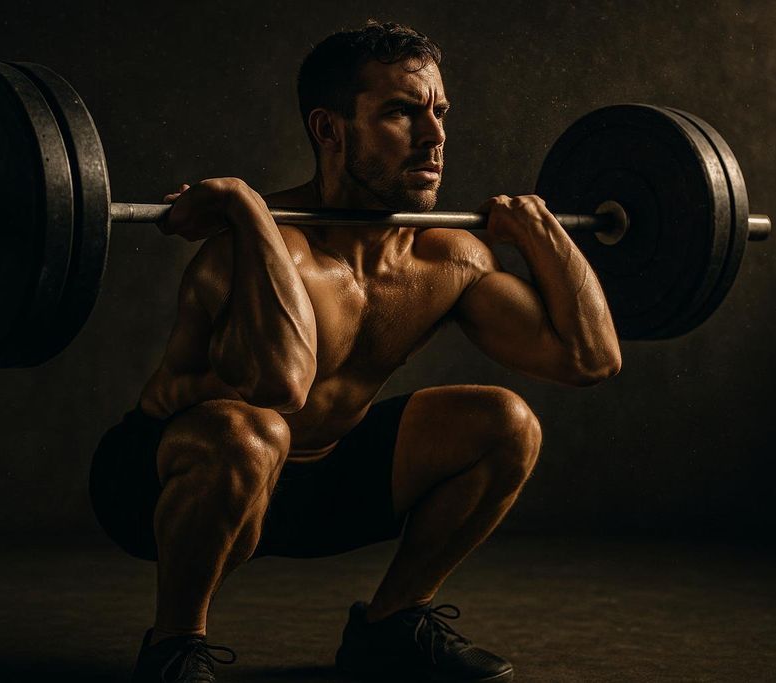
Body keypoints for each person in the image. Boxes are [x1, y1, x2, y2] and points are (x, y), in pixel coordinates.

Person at [90, 20, 621, 683]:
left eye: (439, 112)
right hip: (167, 481)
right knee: (252, 431)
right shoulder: (253, 248)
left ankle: (391, 623)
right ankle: (173, 646)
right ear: (330, 130)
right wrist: (245, 205)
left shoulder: (447, 257)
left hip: (317, 484)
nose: (434, 137)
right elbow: (282, 385)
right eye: (402, 112)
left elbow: (590, 359)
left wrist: (546, 237)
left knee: (507, 424)